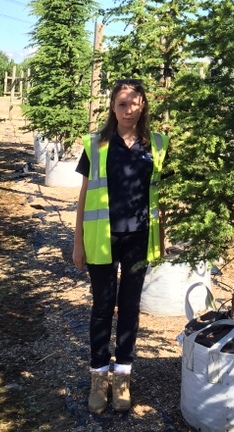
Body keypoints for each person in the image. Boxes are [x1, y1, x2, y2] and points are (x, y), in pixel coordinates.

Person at [72, 79, 169, 414]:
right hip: (102, 238)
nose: (129, 110)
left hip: (138, 239)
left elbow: (159, 196)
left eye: (135, 103)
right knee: (102, 306)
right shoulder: (96, 144)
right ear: (113, 107)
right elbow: (83, 196)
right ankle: (99, 376)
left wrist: (162, 238)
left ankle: (123, 376)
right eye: (122, 104)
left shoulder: (157, 144)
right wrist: (78, 243)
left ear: (143, 106)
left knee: (129, 307)